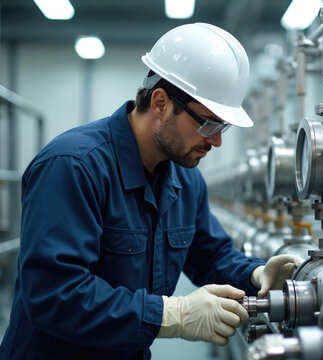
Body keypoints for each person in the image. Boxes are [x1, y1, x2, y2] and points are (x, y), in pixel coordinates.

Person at [0, 23, 302, 359]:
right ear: (160, 102)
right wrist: (171, 315)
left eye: (223, 126)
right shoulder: (73, 166)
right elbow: (55, 294)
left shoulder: (186, 180)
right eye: (208, 123)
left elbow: (210, 254)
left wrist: (256, 274)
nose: (216, 140)